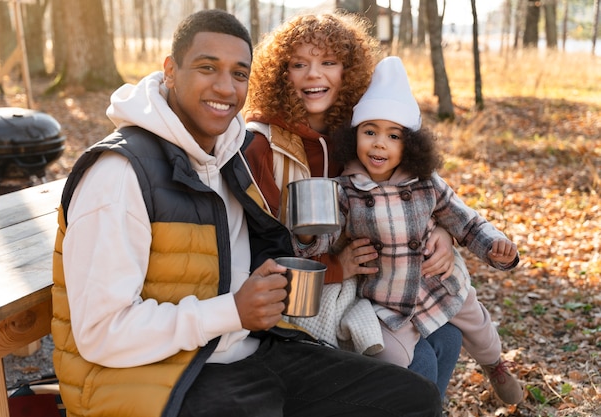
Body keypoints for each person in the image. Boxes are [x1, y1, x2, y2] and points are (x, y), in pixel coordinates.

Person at [50, 10, 443, 417]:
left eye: (239, 73)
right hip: (156, 377)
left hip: (248, 347)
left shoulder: (226, 157)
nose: (225, 86)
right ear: (170, 70)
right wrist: (232, 311)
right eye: (207, 67)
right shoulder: (120, 174)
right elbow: (101, 334)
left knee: (413, 399)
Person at [243, 12, 461, 398]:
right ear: (280, 74)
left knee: (448, 337)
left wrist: (442, 230)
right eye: (299, 64)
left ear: (350, 73)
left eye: (328, 62)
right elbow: (256, 249)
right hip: (307, 299)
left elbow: (413, 185)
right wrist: (335, 268)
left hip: (372, 285)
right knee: (416, 368)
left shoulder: (361, 134)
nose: (314, 75)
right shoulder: (262, 144)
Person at [294, 56, 525, 405]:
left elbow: (464, 219)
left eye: (393, 136)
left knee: (479, 329)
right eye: (369, 132)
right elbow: (323, 238)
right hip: (389, 300)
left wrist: (493, 245)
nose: (379, 144)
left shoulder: (426, 184)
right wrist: (309, 236)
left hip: (439, 286)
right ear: (354, 136)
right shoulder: (345, 190)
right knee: (394, 363)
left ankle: (496, 368)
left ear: (410, 145)